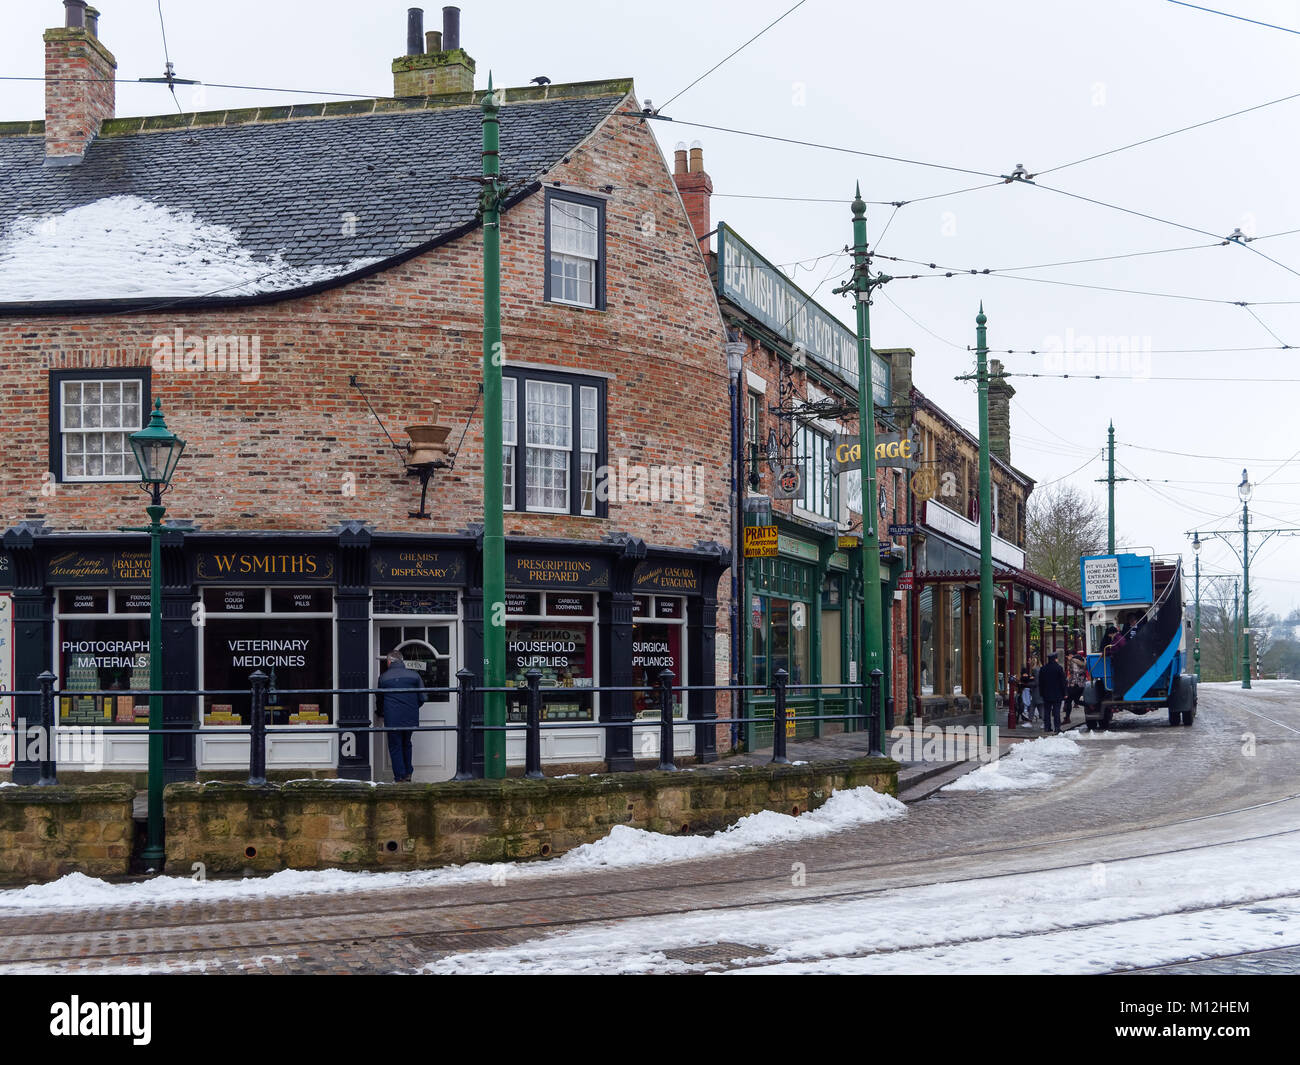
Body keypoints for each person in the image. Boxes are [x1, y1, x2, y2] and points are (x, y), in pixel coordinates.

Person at [376, 649, 424, 782]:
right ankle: (408, 773)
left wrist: (380, 712)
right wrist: (413, 708)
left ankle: (400, 776)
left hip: (392, 718)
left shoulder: (384, 677)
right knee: (406, 743)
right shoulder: (414, 676)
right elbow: (423, 697)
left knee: (395, 745)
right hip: (410, 716)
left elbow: (379, 699)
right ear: (402, 661)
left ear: (389, 661)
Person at [1038, 651, 1067, 734]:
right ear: (1055, 659)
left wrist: (1041, 693)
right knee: (1056, 711)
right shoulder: (1059, 668)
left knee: (1047, 711)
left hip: (1046, 694)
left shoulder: (1043, 668)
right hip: (1057, 694)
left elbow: (1041, 682)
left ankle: (1047, 727)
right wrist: (1065, 693)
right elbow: (1063, 682)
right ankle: (1057, 727)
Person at [1065, 650, 1087, 724]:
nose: (1067, 658)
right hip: (1082, 684)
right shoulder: (1083, 660)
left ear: (1070, 655)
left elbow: (1075, 673)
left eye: (1067, 656)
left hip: (1075, 685)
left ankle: (1067, 718)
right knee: (1076, 701)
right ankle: (1090, 705)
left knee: (1068, 701)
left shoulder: (1073, 661)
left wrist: (1072, 684)